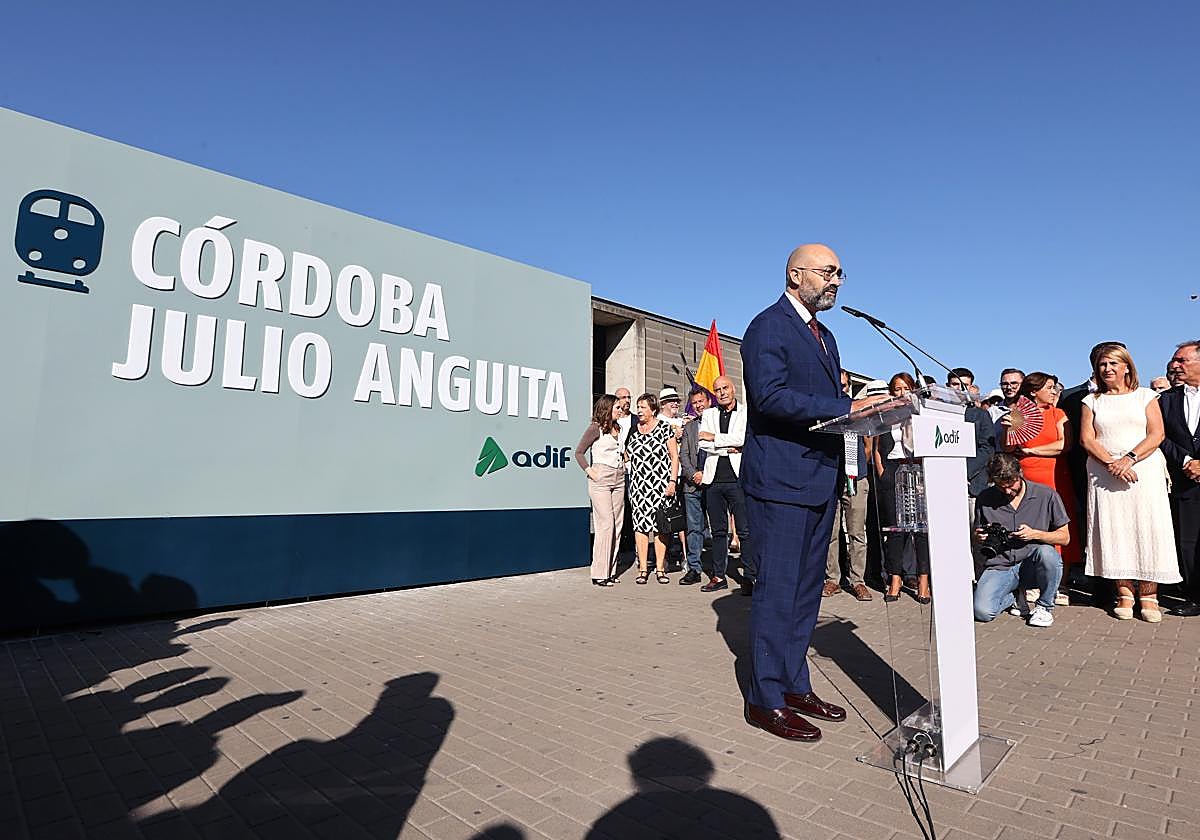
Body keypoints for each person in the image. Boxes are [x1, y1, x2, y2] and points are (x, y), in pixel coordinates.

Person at [739, 243, 881, 742]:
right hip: (781, 482)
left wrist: (862, 411)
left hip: (819, 479)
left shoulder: (826, 336)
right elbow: (770, 396)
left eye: (841, 273)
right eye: (828, 272)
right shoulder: (768, 326)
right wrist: (846, 406)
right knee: (778, 593)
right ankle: (765, 699)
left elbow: (824, 402)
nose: (836, 280)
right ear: (796, 275)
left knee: (804, 594)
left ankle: (795, 685)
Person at [1079, 345, 1180, 621]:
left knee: (1148, 528)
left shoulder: (1146, 396)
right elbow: (1087, 439)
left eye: (1113, 363)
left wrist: (1128, 459)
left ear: (1126, 367)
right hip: (1104, 474)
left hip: (1143, 471)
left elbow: (1157, 434)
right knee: (1114, 530)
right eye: (1102, 364)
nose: (1107, 369)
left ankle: (1149, 595)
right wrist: (1112, 464)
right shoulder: (1091, 401)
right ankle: (1124, 593)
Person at [1007, 372, 1082, 601]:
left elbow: (1064, 444)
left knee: (1060, 524)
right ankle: (1032, 580)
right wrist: (1008, 429)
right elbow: (1009, 447)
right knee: (1030, 524)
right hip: (1026, 476)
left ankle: (1061, 583)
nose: (1053, 392)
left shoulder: (1058, 413)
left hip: (1056, 475)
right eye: (1049, 387)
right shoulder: (1019, 413)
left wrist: (1033, 450)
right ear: (1033, 391)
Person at [972, 454, 1070, 626]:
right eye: (1001, 487)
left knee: (1048, 554)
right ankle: (1014, 596)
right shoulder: (985, 497)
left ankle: (1044, 607)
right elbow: (976, 533)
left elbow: (1065, 537)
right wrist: (979, 537)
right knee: (982, 612)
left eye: (1011, 485)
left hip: (1032, 564)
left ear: (1020, 474)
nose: (1007, 491)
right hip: (1000, 565)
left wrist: (1035, 534)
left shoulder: (1046, 495)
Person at [874, 372, 931, 603]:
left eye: (906, 388)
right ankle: (895, 579)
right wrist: (882, 473)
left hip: (918, 471)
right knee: (896, 531)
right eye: (897, 389)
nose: (901, 393)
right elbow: (878, 448)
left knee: (921, 530)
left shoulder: (922, 414)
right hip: (893, 471)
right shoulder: (886, 416)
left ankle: (923, 580)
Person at [698, 376, 752, 594]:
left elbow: (743, 439)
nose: (721, 392)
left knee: (745, 531)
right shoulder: (709, 414)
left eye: (725, 388)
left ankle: (750, 576)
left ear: (733, 389)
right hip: (714, 481)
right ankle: (719, 575)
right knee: (718, 532)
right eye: (717, 389)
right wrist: (727, 445)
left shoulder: (745, 412)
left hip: (738, 479)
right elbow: (703, 443)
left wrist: (715, 438)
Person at [1159, 340, 1200, 616]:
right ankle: (1194, 595)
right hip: (1185, 482)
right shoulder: (1166, 400)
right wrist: (1186, 461)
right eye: (1174, 360)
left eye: (1182, 360)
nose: (1175, 365)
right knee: (1189, 541)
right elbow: (1160, 436)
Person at [824, 370, 872, 601]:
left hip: (856, 477)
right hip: (829, 478)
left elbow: (868, 446)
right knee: (830, 532)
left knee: (857, 533)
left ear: (849, 386)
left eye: (844, 385)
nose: (840, 389)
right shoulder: (824, 409)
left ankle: (858, 581)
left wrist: (858, 468)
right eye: (837, 384)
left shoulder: (858, 409)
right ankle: (832, 579)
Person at [624, 392, 680, 585]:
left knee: (660, 528)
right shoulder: (634, 430)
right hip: (639, 488)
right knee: (640, 528)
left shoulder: (664, 428)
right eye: (638, 407)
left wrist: (672, 481)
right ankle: (642, 569)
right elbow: (626, 454)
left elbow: (674, 457)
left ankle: (660, 568)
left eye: (643, 407)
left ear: (653, 409)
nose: (639, 411)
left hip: (661, 486)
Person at [575, 395, 626, 586]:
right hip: (601, 478)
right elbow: (579, 452)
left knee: (617, 525)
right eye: (617, 407)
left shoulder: (618, 428)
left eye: (621, 407)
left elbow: (620, 452)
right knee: (606, 525)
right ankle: (599, 573)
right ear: (607, 408)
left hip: (619, 477)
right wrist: (590, 472)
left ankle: (610, 571)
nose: (620, 410)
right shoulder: (595, 428)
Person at [677, 389, 711, 585]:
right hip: (692, 485)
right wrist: (693, 474)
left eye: (701, 401)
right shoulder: (689, 427)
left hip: (713, 483)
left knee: (718, 528)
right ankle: (694, 568)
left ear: (709, 401)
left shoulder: (716, 423)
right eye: (695, 403)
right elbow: (683, 454)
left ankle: (718, 569)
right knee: (693, 529)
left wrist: (706, 474)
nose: (698, 405)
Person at [656, 386, 689, 568]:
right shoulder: (658, 422)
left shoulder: (684, 421)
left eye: (676, 401)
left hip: (683, 474)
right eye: (671, 401)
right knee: (665, 517)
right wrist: (672, 436)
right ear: (663, 404)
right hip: (665, 476)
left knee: (683, 517)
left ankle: (686, 556)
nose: (675, 403)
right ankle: (665, 557)